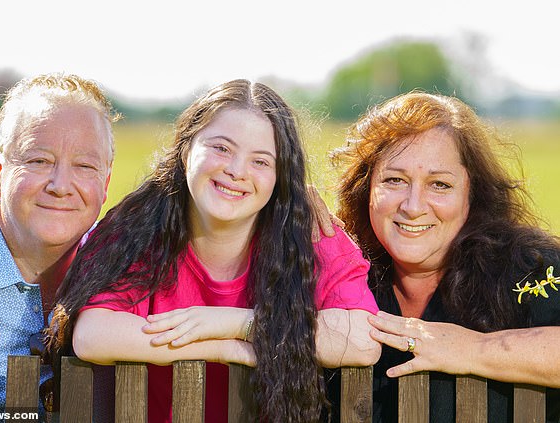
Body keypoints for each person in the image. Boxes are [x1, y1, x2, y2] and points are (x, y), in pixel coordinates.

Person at [50, 79, 381, 423]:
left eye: (261, 161)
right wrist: (224, 347)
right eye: (221, 148)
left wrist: (238, 324)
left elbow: (362, 339)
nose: (236, 171)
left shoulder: (313, 236)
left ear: (280, 176)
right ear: (186, 150)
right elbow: (93, 335)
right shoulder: (136, 232)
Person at [329, 91, 560, 422]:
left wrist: (469, 349)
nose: (413, 206)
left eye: (439, 184)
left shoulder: (528, 269)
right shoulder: (338, 271)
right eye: (394, 180)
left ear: (472, 193)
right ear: (365, 188)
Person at [0, 73, 118, 414]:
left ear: (105, 183)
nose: (61, 186)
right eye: (38, 161)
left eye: (85, 166)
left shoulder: (130, 272)